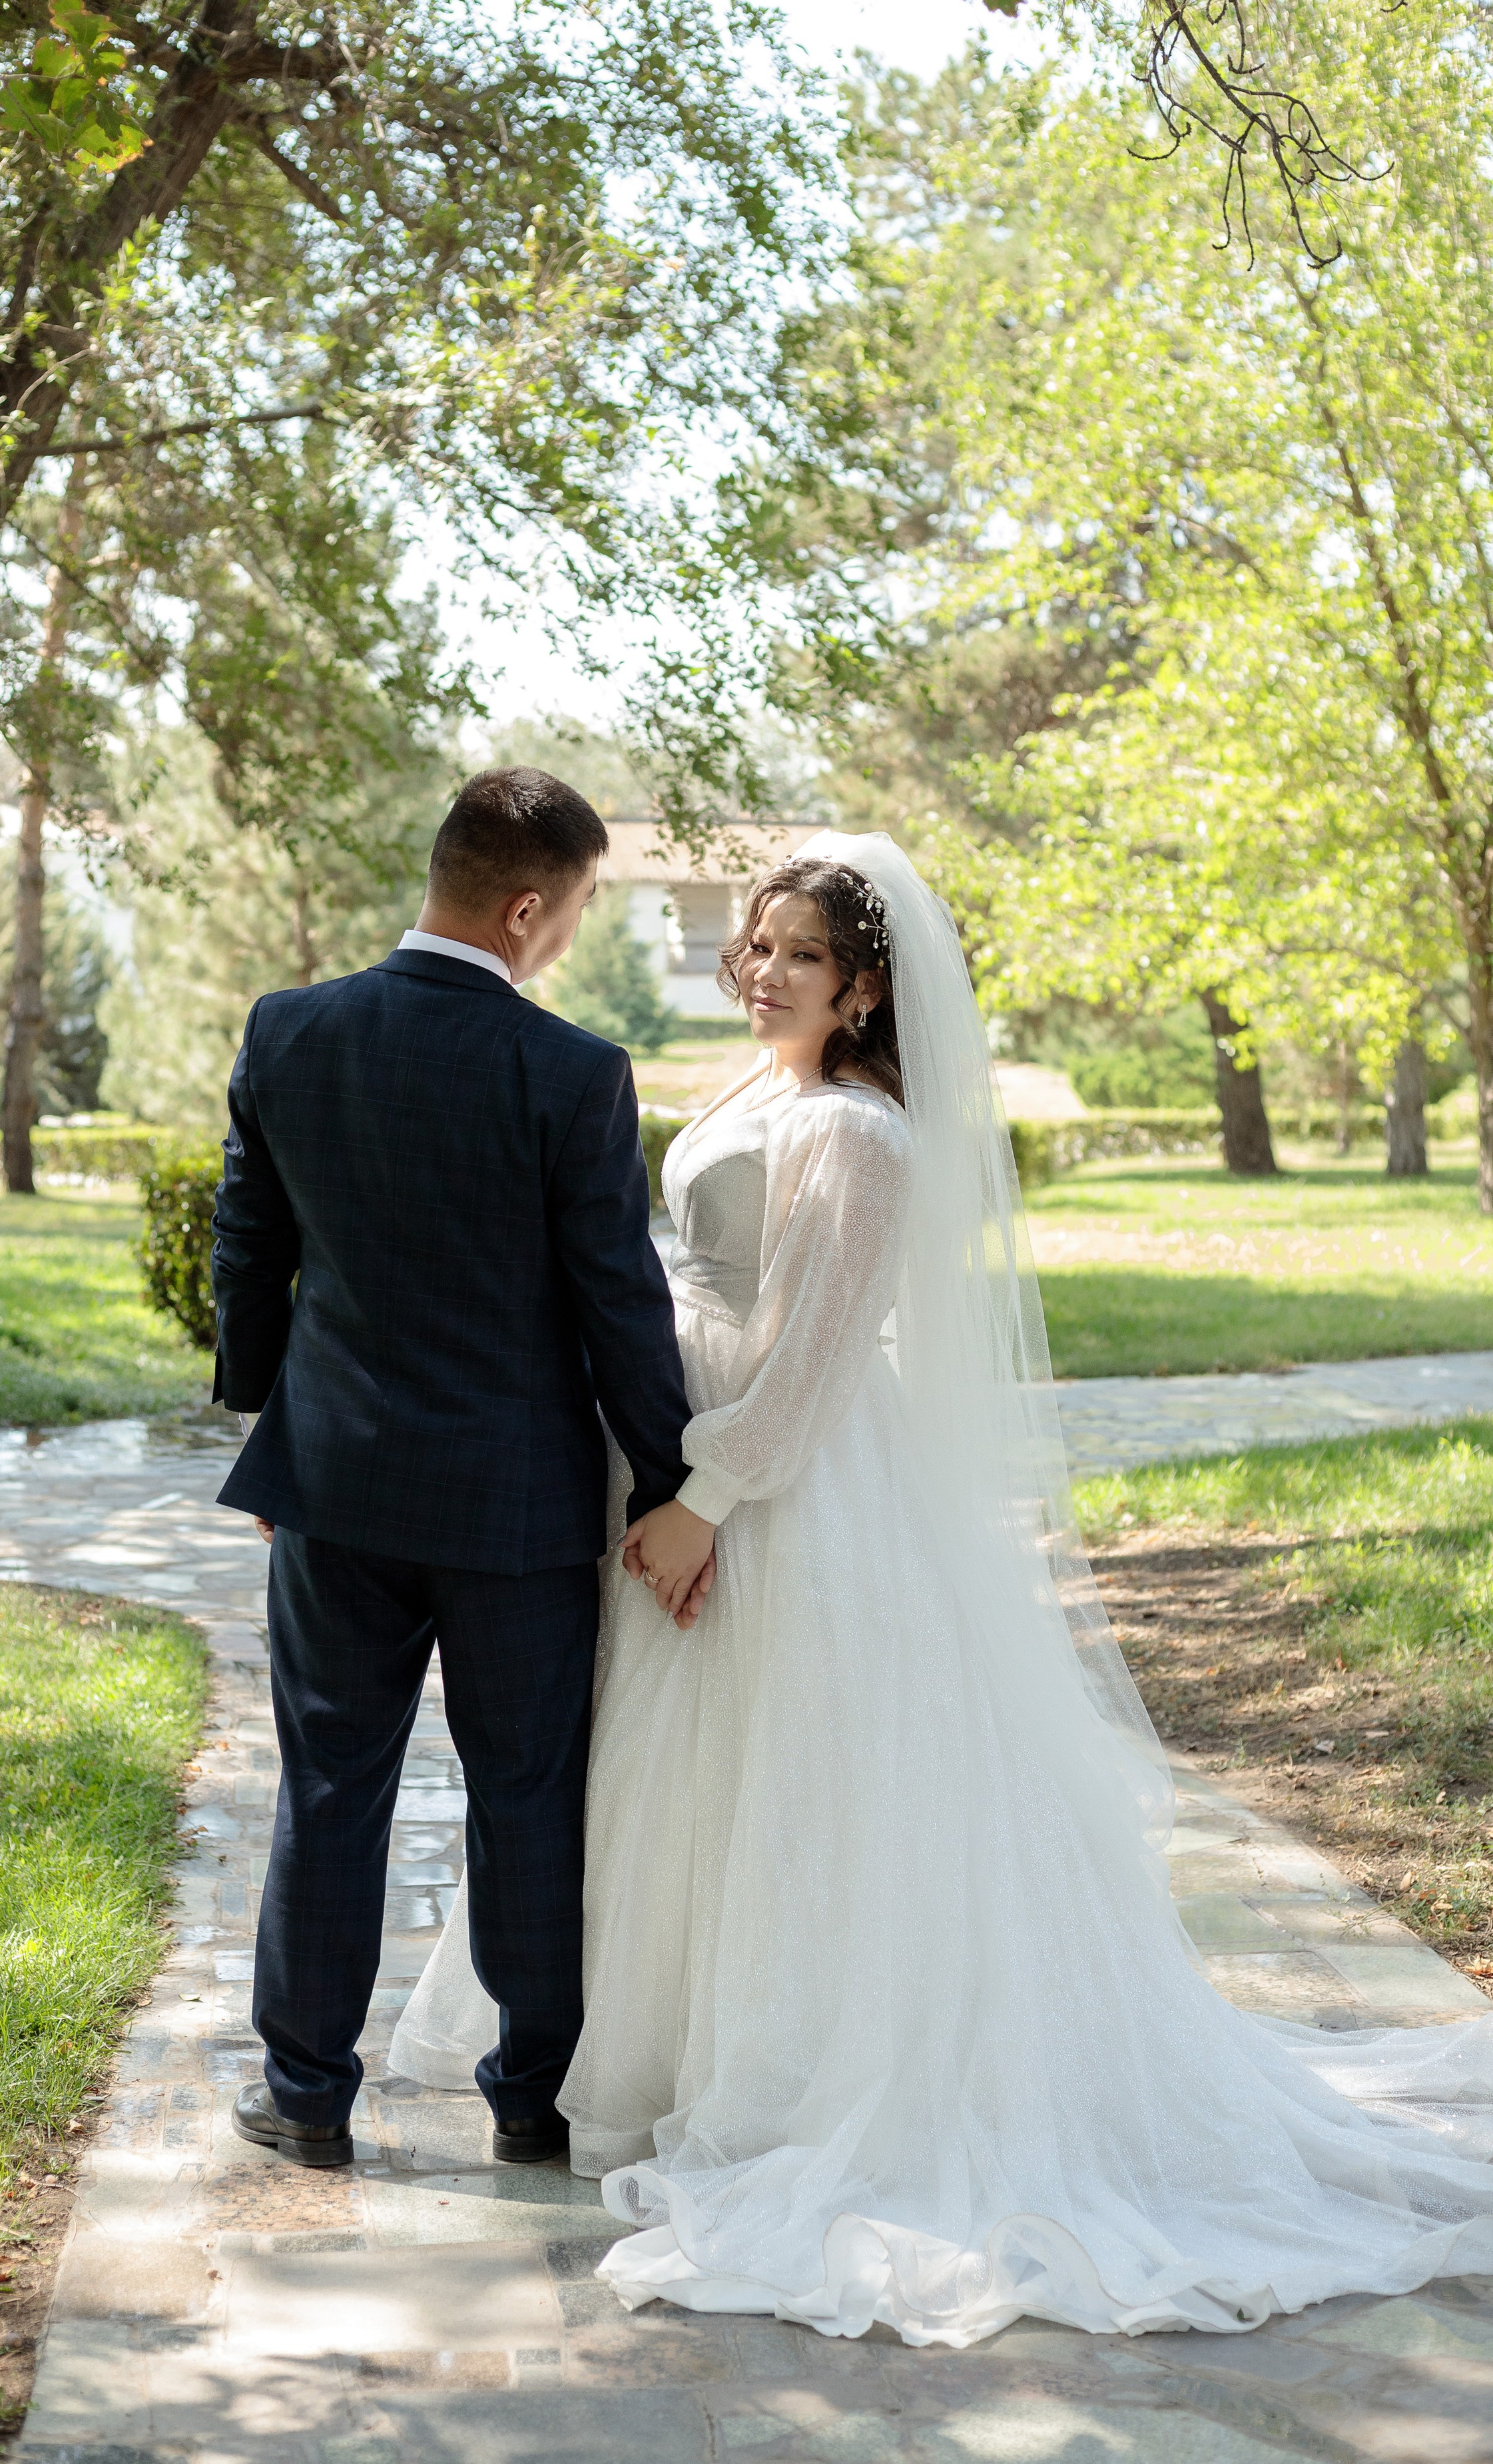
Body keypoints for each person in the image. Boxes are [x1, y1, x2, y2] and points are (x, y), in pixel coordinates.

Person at [392, 828, 1493, 2346]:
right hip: (672, 1472)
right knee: (678, 1780)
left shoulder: (856, 1133)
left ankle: (786, 2080)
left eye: (800, 958)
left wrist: (705, 1499)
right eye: (758, 945)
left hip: (779, 1496)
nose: (763, 970)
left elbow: (823, 1358)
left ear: (860, 994)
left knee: (789, 1782)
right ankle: (666, 2063)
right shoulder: (753, 1090)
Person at [210, 765, 713, 2171]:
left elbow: (248, 1251)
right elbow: (617, 1302)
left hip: (335, 1490)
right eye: (577, 907)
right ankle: (531, 2102)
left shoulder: (290, 1031)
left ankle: (305, 2097)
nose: (571, 934)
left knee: (329, 1789)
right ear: (523, 906)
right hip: (518, 1506)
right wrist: (674, 1488)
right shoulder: (570, 1073)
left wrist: (272, 1424)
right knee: (528, 1798)